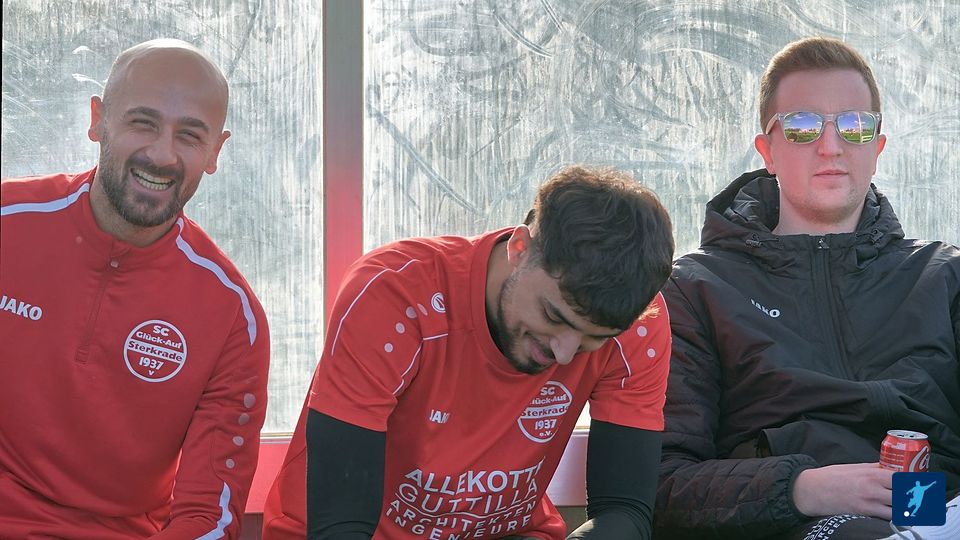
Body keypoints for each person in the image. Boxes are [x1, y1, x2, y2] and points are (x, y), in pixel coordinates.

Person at [262, 166, 675, 539]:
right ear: (520, 248)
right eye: (553, 316)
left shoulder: (637, 322)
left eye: (592, 340)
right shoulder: (394, 294)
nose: (565, 354)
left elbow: (625, 510)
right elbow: (339, 527)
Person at [654, 36, 960, 540]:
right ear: (768, 151)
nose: (831, 146)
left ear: (878, 148)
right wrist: (801, 488)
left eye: (855, 126)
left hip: (938, 512)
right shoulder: (695, 289)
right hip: (795, 524)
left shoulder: (944, 276)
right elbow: (660, 483)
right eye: (802, 126)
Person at [0, 39, 270, 539]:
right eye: (143, 123)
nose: (162, 154)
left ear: (215, 151)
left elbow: (205, 516)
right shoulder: (7, 224)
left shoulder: (233, 317)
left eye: (189, 135)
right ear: (98, 120)